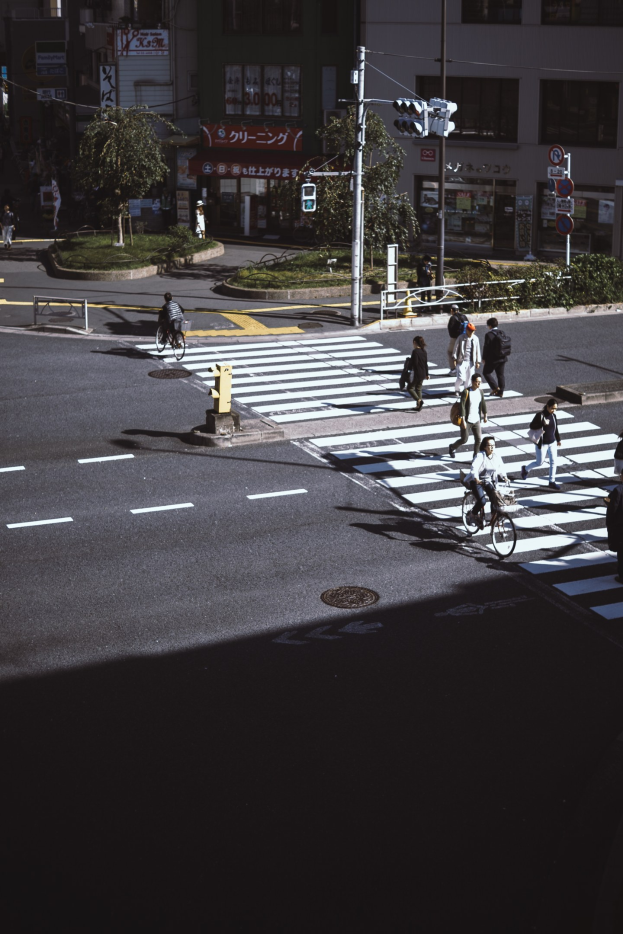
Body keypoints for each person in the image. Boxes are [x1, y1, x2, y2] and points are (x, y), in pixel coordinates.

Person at [463, 436, 510, 529]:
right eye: (489, 445)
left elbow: (501, 467)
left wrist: (505, 477)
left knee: (495, 497)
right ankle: (472, 514)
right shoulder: (480, 456)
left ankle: (494, 516)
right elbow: (474, 468)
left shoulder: (496, 456)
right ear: (484, 447)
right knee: (482, 501)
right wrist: (476, 478)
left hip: (488, 480)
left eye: (493, 445)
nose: (492, 447)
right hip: (476, 480)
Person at [521, 398, 562, 490]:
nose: (553, 410)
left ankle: (551, 481)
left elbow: (556, 429)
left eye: (555, 408)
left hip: (552, 442)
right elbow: (531, 426)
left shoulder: (553, 416)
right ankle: (525, 469)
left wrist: (558, 439)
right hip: (542, 443)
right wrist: (542, 424)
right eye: (552, 408)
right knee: (539, 462)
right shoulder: (540, 415)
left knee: (553, 462)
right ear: (547, 406)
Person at [448, 372, 487, 459]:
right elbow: (462, 406)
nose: (479, 384)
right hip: (467, 420)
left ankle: (475, 457)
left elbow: (483, 403)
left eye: (480, 382)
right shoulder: (466, 392)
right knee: (464, 439)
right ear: (472, 381)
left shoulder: (480, 392)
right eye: (477, 382)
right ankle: (453, 447)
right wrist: (463, 420)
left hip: (476, 419)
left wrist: (485, 415)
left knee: (478, 439)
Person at [399, 335, 429, 411]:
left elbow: (415, 363)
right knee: (418, 389)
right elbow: (426, 363)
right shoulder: (424, 351)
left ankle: (419, 400)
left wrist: (409, 365)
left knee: (410, 388)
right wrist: (427, 374)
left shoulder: (415, 351)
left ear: (415, 342)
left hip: (416, 373)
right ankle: (418, 406)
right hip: (423, 373)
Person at [482, 316, 509, 398]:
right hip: (503, 357)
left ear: (490, 326)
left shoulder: (488, 335)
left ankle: (495, 387)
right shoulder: (502, 332)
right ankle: (501, 392)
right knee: (500, 375)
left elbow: (486, 347)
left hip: (493, 359)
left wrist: (484, 358)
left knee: (486, 373)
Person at [452, 322, 481, 395]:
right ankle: (457, 389)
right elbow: (456, 348)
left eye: (473, 331)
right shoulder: (461, 337)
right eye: (470, 330)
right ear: (467, 330)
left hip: (471, 361)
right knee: (460, 377)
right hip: (461, 361)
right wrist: (454, 358)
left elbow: (478, 350)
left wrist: (478, 362)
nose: (471, 332)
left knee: (469, 378)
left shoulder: (475, 338)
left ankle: (466, 390)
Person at [605, 469, 623, 583]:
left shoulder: (618, 490)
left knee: (621, 552)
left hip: (620, 526)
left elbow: (612, 508)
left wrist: (610, 524)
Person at [446, 304, 468, 373]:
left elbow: (450, 329)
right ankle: (461, 367)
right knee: (461, 353)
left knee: (450, 352)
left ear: (451, 310)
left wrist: (452, 336)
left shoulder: (453, 318)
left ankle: (453, 369)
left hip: (455, 338)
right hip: (464, 337)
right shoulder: (464, 316)